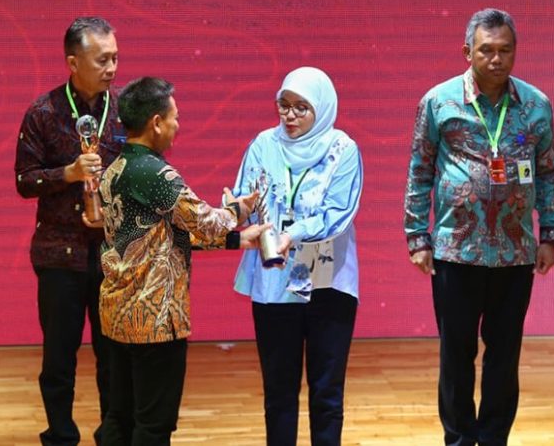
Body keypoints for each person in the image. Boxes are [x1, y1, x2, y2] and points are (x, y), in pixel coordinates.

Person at [403, 8, 554, 446]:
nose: (496, 59)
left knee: (504, 356)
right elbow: (420, 169)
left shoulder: (536, 104)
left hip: (515, 250)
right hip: (455, 250)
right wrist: (417, 236)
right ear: (467, 52)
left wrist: (550, 233)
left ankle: (494, 438)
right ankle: (458, 438)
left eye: (505, 50)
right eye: (486, 50)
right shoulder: (439, 102)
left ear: (516, 51)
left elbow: (548, 171)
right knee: (456, 356)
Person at [97, 76, 267, 446]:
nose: (178, 125)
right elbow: (205, 221)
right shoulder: (155, 173)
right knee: (153, 425)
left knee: (119, 416)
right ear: (156, 122)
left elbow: (161, 238)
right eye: (175, 117)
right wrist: (237, 210)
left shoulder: (115, 170)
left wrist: (237, 239)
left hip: (118, 315)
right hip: (155, 319)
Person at [232, 67, 364, 446]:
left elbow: (338, 213)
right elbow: (245, 200)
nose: (289, 116)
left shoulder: (343, 150)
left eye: (301, 108)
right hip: (274, 280)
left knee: (327, 392)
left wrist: (293, 233)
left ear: (321, 108)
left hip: (328, 281)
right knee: (278, 393)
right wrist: (236, 209)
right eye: (284, 105)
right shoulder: (263, 145)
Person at [15, 17, 126, 446]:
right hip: (58, 254)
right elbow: (24, 180)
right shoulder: (43, 113)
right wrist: (68, 173)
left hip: (114, 254)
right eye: (102, 60)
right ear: (73, 62)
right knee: (59, 356)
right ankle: (60, 434)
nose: (111, 68)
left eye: (115, 58)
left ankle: (112, 433)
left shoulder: (126, 109)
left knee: (113, 355)